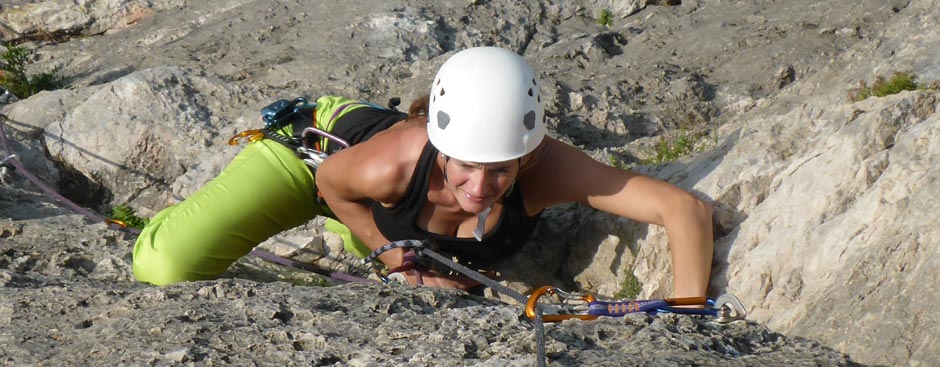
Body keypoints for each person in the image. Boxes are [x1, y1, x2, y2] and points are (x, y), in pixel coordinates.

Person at [132, 46, 713, 298]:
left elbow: (681, 209)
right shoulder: (396, 162)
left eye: (500, 171)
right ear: (441, 146)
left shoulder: (545, 167)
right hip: (314, 163)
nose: (480, 189)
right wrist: (394, 258)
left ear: (527, 156)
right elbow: (333, 182)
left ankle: (357, 229)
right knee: (166, 266)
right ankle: (169, 222)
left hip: (369, 193)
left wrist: (690, 312)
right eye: (465, 166)